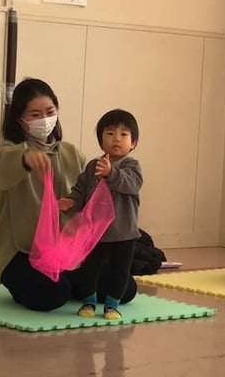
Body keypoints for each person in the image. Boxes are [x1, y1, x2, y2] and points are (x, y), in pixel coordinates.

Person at [0, 78, 136, 311]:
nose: (44, 119)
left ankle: (69, 283)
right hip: (23, 252)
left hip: (67, 252)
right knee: (54, 294)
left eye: (49, 112)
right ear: (20, 119)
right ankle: (48, 286)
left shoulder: (71, 153)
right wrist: (26, 158)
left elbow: (87, 196)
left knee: (125, 288)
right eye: (35, 115)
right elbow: (4, 167)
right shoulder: (7, 152)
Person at [59, 109, 142, 319]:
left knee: (120, 272)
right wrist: (72, 201)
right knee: (89, 269)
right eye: (110, 133)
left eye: (124, 134)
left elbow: (132, 184)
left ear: (133, 143)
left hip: (123, 233)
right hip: (93, 233)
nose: (117, 138)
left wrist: (111, 173)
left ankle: (112, 305)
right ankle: (89, 301)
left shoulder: (131, 165)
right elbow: (80, 190)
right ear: (100, 139)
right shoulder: (92, 167)